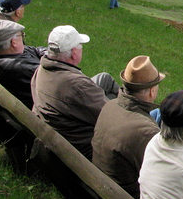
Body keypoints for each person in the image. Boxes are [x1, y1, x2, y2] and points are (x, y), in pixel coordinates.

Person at [31, 25, 119, 160]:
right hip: (82, 148)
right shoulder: (78, 86)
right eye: (80, 46)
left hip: (61, 133)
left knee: (104, 78)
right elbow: (113, 119)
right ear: (74, 53)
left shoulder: (42, 69)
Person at [92, 55, 165, 199]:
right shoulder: (147, 132)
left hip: (100, 185)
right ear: (152, 91)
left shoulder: (110, 105)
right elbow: (161, 179)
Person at [0, 20, 46, 109]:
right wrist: (52, 56)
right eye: (21, 35)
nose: (23, 38)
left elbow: (36, 50)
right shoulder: (19, 67)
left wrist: (48, 54)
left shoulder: (2, 54)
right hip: (36, 110)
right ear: (14, 42)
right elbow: (51, 74)